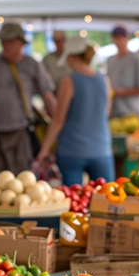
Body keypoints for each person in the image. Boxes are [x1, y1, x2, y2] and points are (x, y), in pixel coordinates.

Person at [0, 22, 56, 174]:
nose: (4, 45)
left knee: (23, 176)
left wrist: (56, 129)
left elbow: (48, 98)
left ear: (21, 43)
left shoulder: (32, 64)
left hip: (21, 130)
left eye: (9, 41)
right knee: (2, 177)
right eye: (3, 41)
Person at [37, 35, 115, 186]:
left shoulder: (69, 81)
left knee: (73, 201)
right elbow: (105, 113)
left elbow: (59, 120)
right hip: (101, 149)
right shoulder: (105, 80)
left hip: (72, 151)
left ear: (72, 57)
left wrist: (44, 150)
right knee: (106, 199)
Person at [106, 24, 139, 119]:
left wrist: (121, 92)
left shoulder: (137, 59)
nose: (119, 40)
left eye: (122, 37)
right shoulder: (110, 60)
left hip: (133, 113)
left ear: (127, 37)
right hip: (114, 113)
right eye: (116, 37)